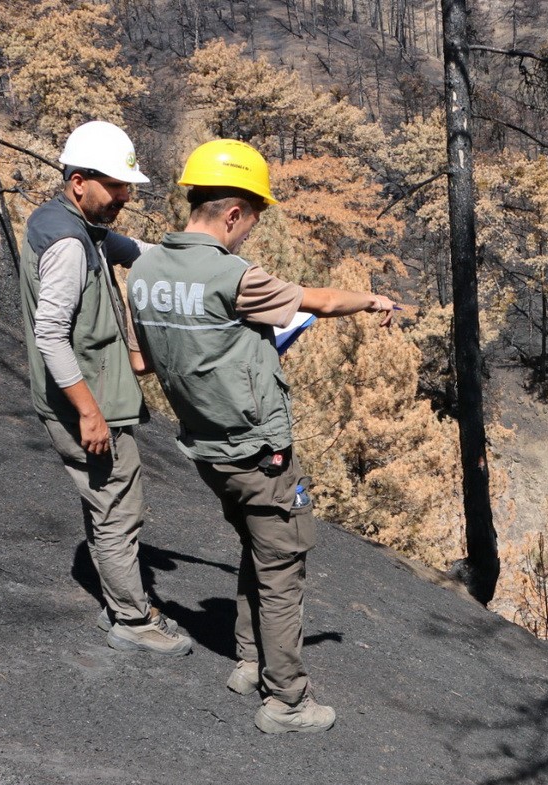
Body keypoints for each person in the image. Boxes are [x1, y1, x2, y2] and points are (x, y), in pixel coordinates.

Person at [128, 138, 396, 735]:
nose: (248, 234)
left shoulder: (145, 272)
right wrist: (371, 298)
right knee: (283, 566)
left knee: (256, 547)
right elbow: (319, 301)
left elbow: (143, 361)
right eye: (250, 221)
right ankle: (287, 701)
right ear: (231, 214)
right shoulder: (234, 275)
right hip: (259, 449)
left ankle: (251, 663)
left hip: (205, 446)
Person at [18, 120, 193, 658]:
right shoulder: (70, 242)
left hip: (87, 397)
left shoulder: (73, 224)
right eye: (115, 185)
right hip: (88, 406)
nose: (125, 195)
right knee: (118, 508)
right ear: (78, 181)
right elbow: (50, 334)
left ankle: (120, 600)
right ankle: (132, 619)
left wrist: (204, 261)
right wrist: (90, 414)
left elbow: (136, 250)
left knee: (104, 504)